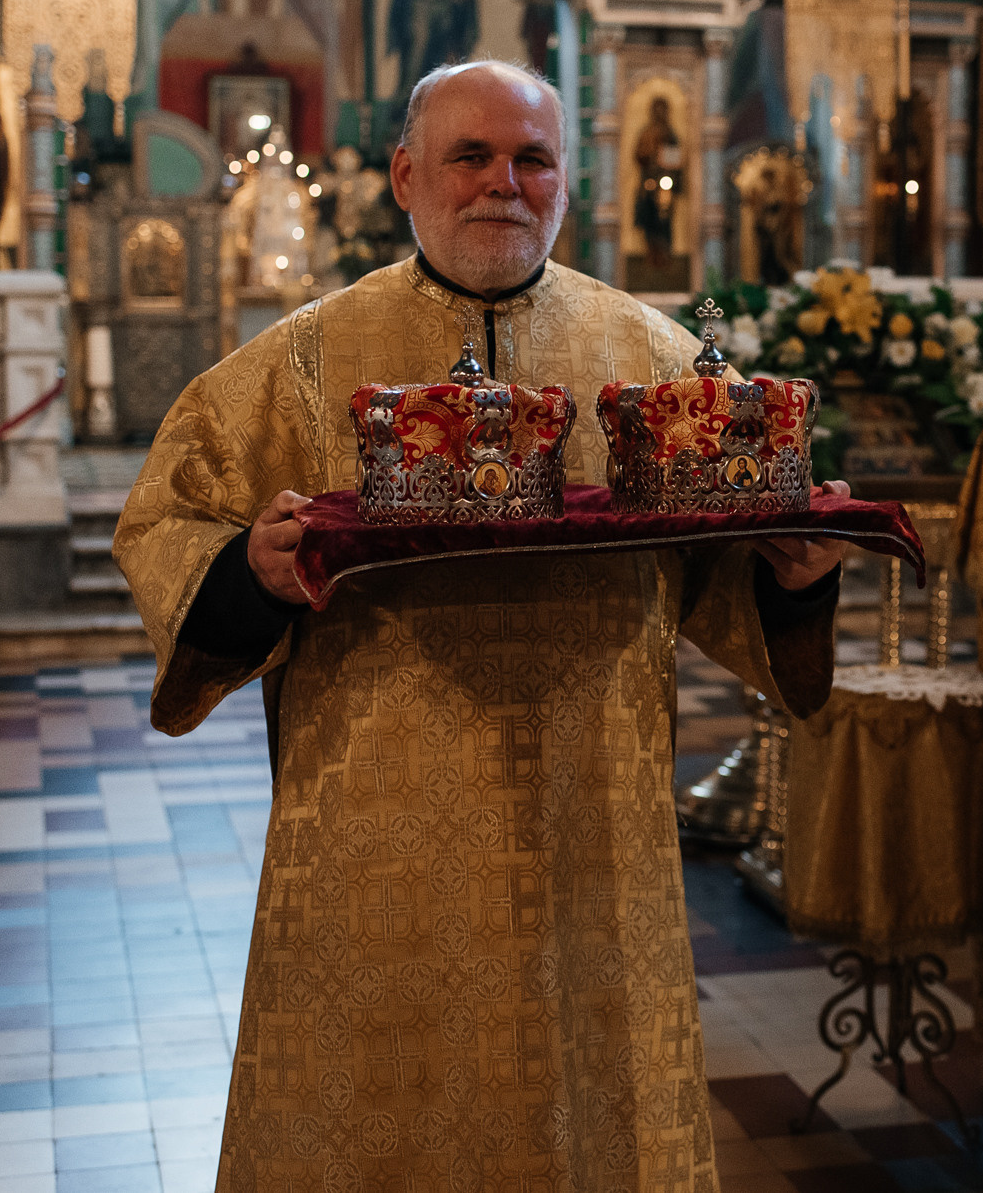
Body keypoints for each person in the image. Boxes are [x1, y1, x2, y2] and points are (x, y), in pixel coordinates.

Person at [114, 61, 850, 1192]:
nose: (502, 183)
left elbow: (730, 563)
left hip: (596, 829)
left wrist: (794, 577)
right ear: (406, 176)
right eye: (471, 156)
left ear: (568, 182)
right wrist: (250, 572)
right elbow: (167, 518)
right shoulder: (302, 364)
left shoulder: (654, 361)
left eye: (532, 160)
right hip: (373, 842)